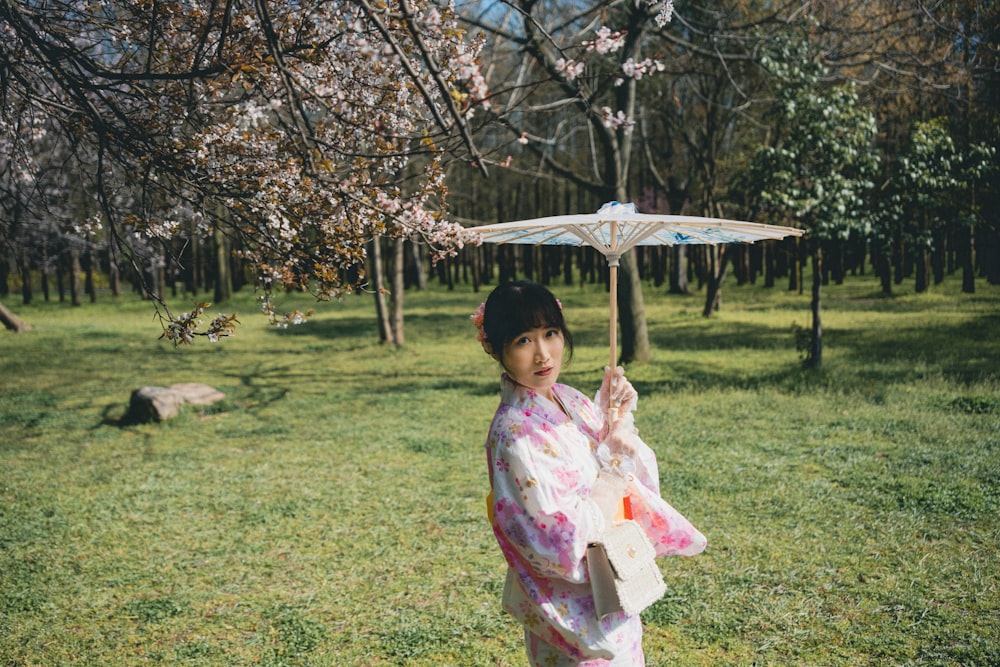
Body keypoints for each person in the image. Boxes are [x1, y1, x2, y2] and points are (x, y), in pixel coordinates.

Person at [473, 280, 707, 667]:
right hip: (572, 611)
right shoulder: (517, 433)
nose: (543, 354)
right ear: (493, 348)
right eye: (523, 340)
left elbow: (615, 459)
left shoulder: (569, 398)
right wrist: (613, 473)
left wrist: (616, 418)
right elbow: (558, 538)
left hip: (612, 587)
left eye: (550, 333)